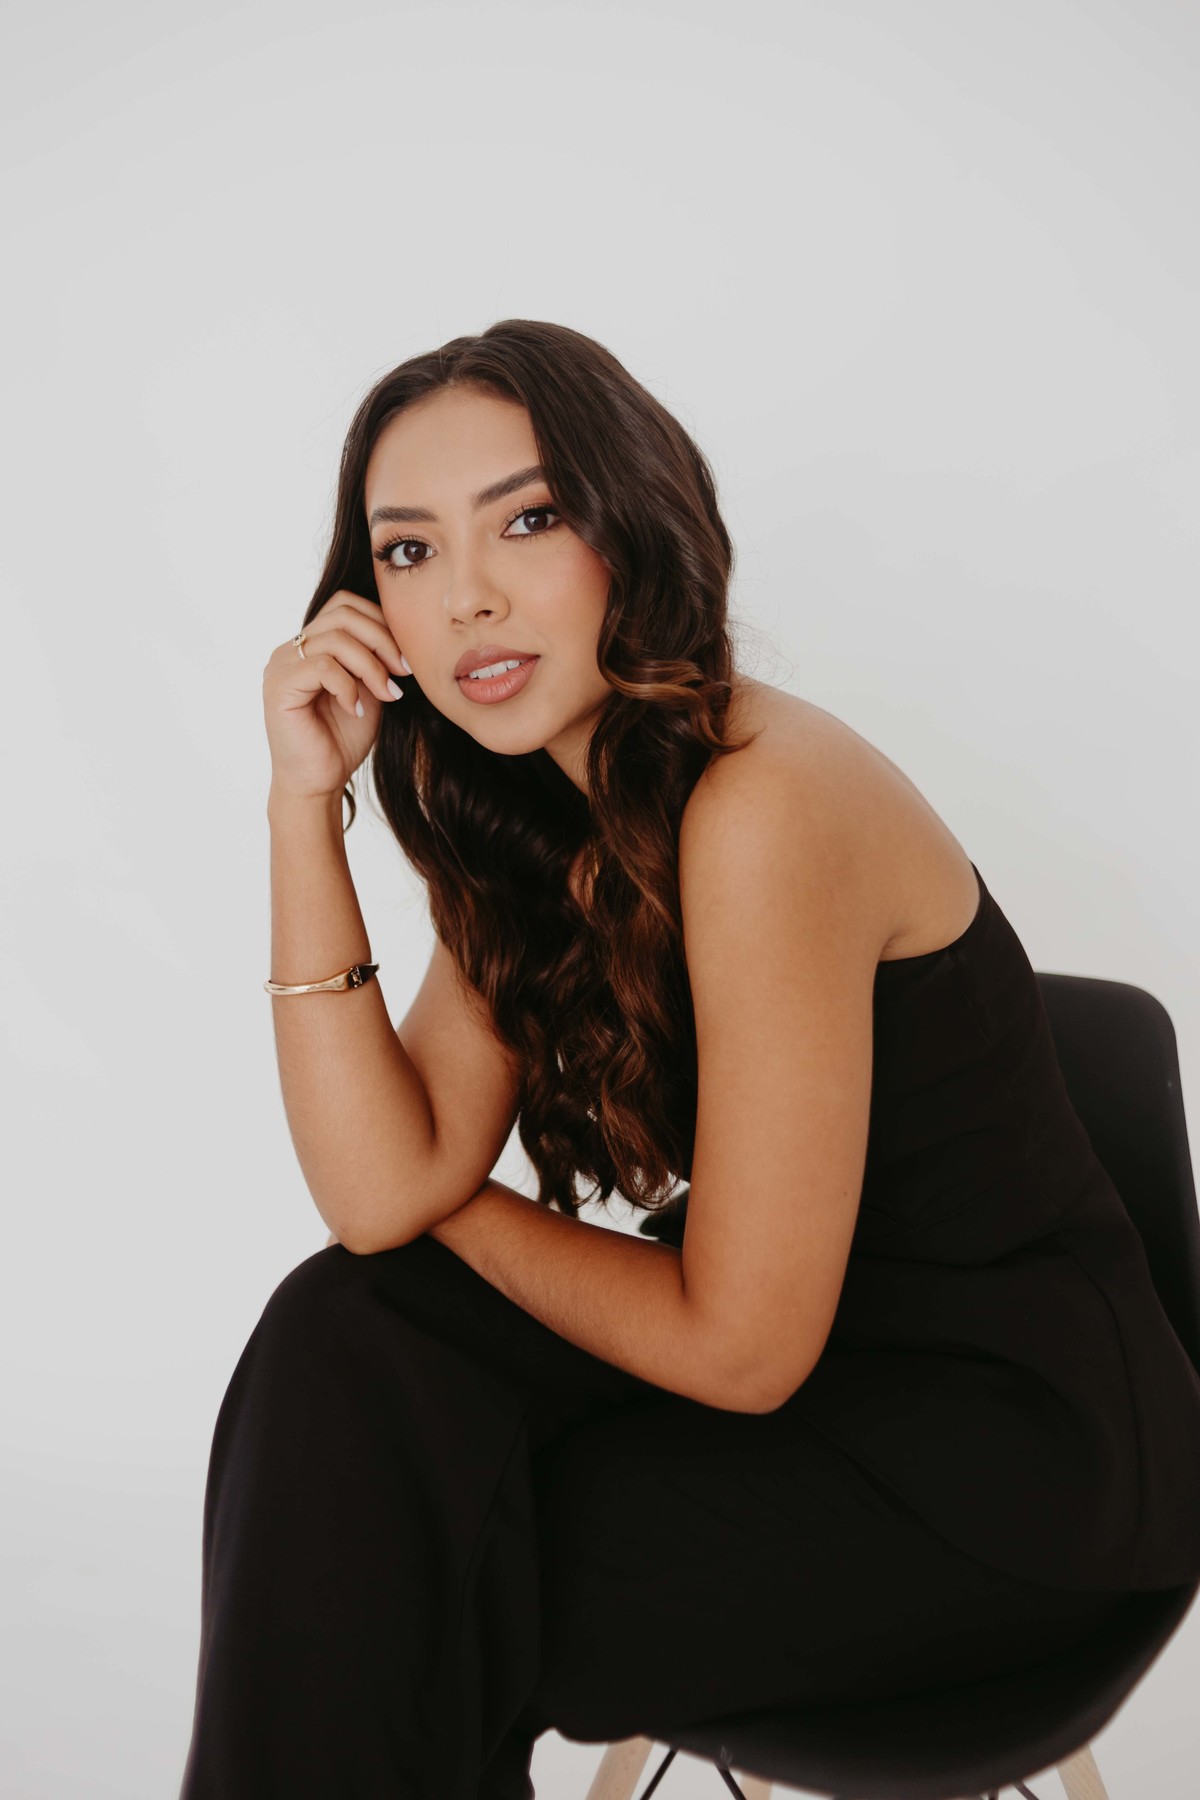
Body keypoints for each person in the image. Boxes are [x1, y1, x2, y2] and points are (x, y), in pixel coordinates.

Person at [178, 319, 1200, 1800]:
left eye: (529, 519)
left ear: (633, 522)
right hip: (815, 1397)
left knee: (390, 1570)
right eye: (408, 551)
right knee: (344, 1339)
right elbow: (372, 1202)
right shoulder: (540, 813)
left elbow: (734, 1346)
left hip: (1009, 1476)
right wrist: (300, 804)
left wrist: (445, 1202)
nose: (467, 596)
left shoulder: (763, 804)